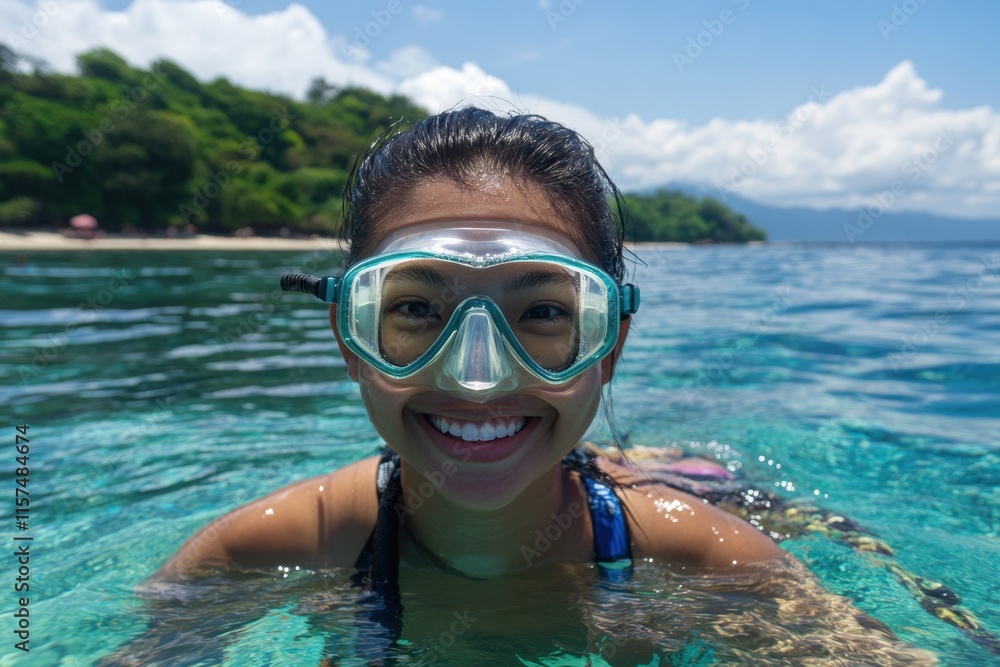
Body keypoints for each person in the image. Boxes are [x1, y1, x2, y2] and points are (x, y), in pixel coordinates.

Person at [141, 107, 935, 664]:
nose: (478, 377)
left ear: (609, 347)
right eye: (416, 308)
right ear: (351, 339)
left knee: (720, 490)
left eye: (545, 312)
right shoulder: (265, 548)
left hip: (678, 495)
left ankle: (668, 464)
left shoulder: (703, 554)